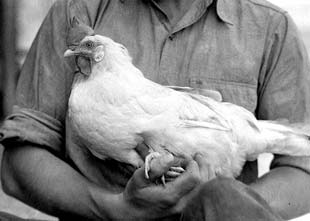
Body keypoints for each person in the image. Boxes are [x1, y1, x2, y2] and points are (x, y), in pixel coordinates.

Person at [1, 0, 310, 220]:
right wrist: (115, 209)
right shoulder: (78, 9)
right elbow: (16, 166)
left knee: (221, 197)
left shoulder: (270, 27)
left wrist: (223, 209)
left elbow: (302, 170)